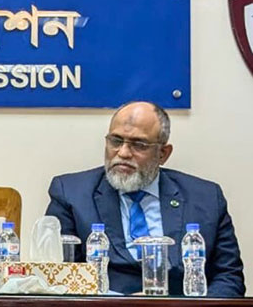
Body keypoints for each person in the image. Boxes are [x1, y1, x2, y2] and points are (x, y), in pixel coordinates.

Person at [45, 101, 245, 296]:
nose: (123, 153)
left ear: (163, 154)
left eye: (139, 145)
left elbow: (229, 277)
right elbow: (58, 279)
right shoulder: (71, 193)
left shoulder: (205, 198)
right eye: (116, 141)